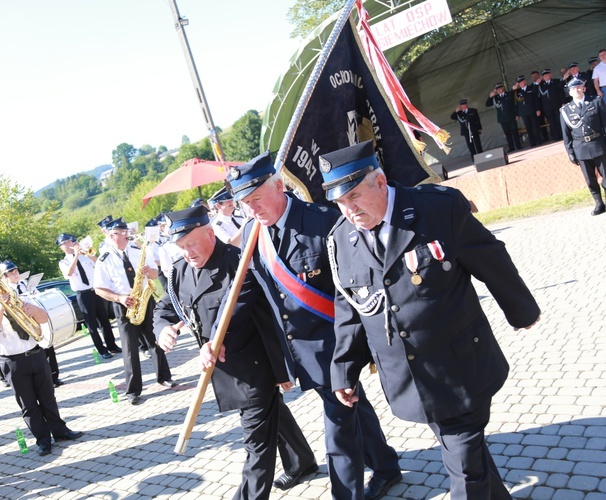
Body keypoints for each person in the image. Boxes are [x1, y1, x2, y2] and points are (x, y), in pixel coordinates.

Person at [320, 140, 540, 499]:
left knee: (465, 474)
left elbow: (491, 258)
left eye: (355, 196)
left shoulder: (437, 209)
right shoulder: (341, 239)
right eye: (340, 202)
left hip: (460, 368)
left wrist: (521, 311)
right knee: (467, 459)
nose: (349, 209)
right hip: (410, 380)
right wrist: (343, 369)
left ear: (380, 182)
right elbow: (349, 307)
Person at [225, 152, 403, 499]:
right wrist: (217, 337)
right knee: (353, 408)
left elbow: (352, 284)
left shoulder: (323, 222)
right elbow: (243, 292)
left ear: (278, 185)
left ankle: (345, 494)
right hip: (296, 349)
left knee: (338, 425)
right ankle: (385, 465)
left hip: (335, 344)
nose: (252, 209)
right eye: (245, 203)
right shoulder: (251, 233)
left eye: (256, 199)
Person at [155, 206, 318, 499]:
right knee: (273, 413)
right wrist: (163, 328)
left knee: (256, 443)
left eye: (191, 242)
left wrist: (281, 369)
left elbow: (242, 314)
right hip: (220, 368)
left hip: (254, 366)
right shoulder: (179, 271)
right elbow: (165, 308)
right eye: (180, 246)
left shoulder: (238, 264)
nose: (187, 252)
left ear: (209, 232)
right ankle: (301, 461)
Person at [0, 276, 83, 456]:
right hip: (12, 361)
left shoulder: (19, 302)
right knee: (28, 404)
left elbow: (42, 318)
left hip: (35, 353)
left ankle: (60, 431)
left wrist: (30, 308)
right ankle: (43, 440)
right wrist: (1, 308)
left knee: (48, 397)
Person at [93, 218, 175, 405]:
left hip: (145, 300)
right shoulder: (104, 259)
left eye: (125, 233)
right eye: (121, 234)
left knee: (155, 341)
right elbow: (99, 289)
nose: (125, 236)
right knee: (130, 349)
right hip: (124, 304)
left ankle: (164, 377)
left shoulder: (138, 250)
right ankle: (134, 390)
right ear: (111, 236)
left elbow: (155, 273)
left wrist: (149, 272)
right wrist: (120, 298)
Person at [57, 233, 121, 360]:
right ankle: (102, 350)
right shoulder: (63, 262)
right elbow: (69, 272)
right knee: (91, 324)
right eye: (65, 244)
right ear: (61, 248)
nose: (69, 244)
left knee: (104, 320)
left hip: (95, 290)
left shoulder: (85, 256)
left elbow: (99, 263)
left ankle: (112, 345)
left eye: (70, 242)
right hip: (83, 294)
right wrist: (75, 256)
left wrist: (87, 253)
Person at [3, 260, 63, 387]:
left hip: (36, 316)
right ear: (5, 277)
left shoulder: (25, 283)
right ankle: (46, 380)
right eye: (12, 273)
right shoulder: (7, 291)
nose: (16, 275)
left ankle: (54, 376)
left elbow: (37, 295)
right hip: (25, 322)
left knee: (48, 348)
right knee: (38, 350)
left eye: (16, 271)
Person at [560, 78, 606, 216]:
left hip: (599, 144)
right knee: (590, 180)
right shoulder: (565, 110)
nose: (577, 90)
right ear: (570, 92)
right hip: (581, 148)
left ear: (584, 89)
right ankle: (599, 203)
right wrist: (571, 153)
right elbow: (566, 134)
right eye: (574, 89)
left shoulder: (596, 101)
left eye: (579, 87)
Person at [486, 82, 521, 152]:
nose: (499, 90)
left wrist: (517, 114)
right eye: (497, 89)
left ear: (503, 88)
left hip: (511, 117)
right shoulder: (495, 98)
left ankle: (518, 146)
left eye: (500, 88)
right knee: (507, 134)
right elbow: (487, 104)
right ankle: (511, 147)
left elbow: (514, 105)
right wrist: (490, 96)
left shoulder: (508, 94)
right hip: (502, 119)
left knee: (515, 132)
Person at [513, 75, 542, 147]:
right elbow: (516, 104)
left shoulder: (531, 88)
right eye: (519, 83)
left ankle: (538, 141)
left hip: (532, 111)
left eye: (522, 82)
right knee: (528, 128)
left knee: (535, 127)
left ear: (525, 81)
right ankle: (532, 143)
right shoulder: (517, 92)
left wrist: (538, 109)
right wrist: (517, 114)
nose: (521, 84)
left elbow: (536, 99)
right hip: (524, 113)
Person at [538, 69, 566, 141]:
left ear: (550, 75)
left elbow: (561, 92)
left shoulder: (556, 81)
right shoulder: (541, 85)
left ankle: (562, 135)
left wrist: (563, 102)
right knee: (552, 122)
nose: (546, 76)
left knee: (559, 121)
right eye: (544, 75)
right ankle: (556, 136)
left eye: (547, 75)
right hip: (547, 108)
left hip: (557, 105)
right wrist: (539, 81)